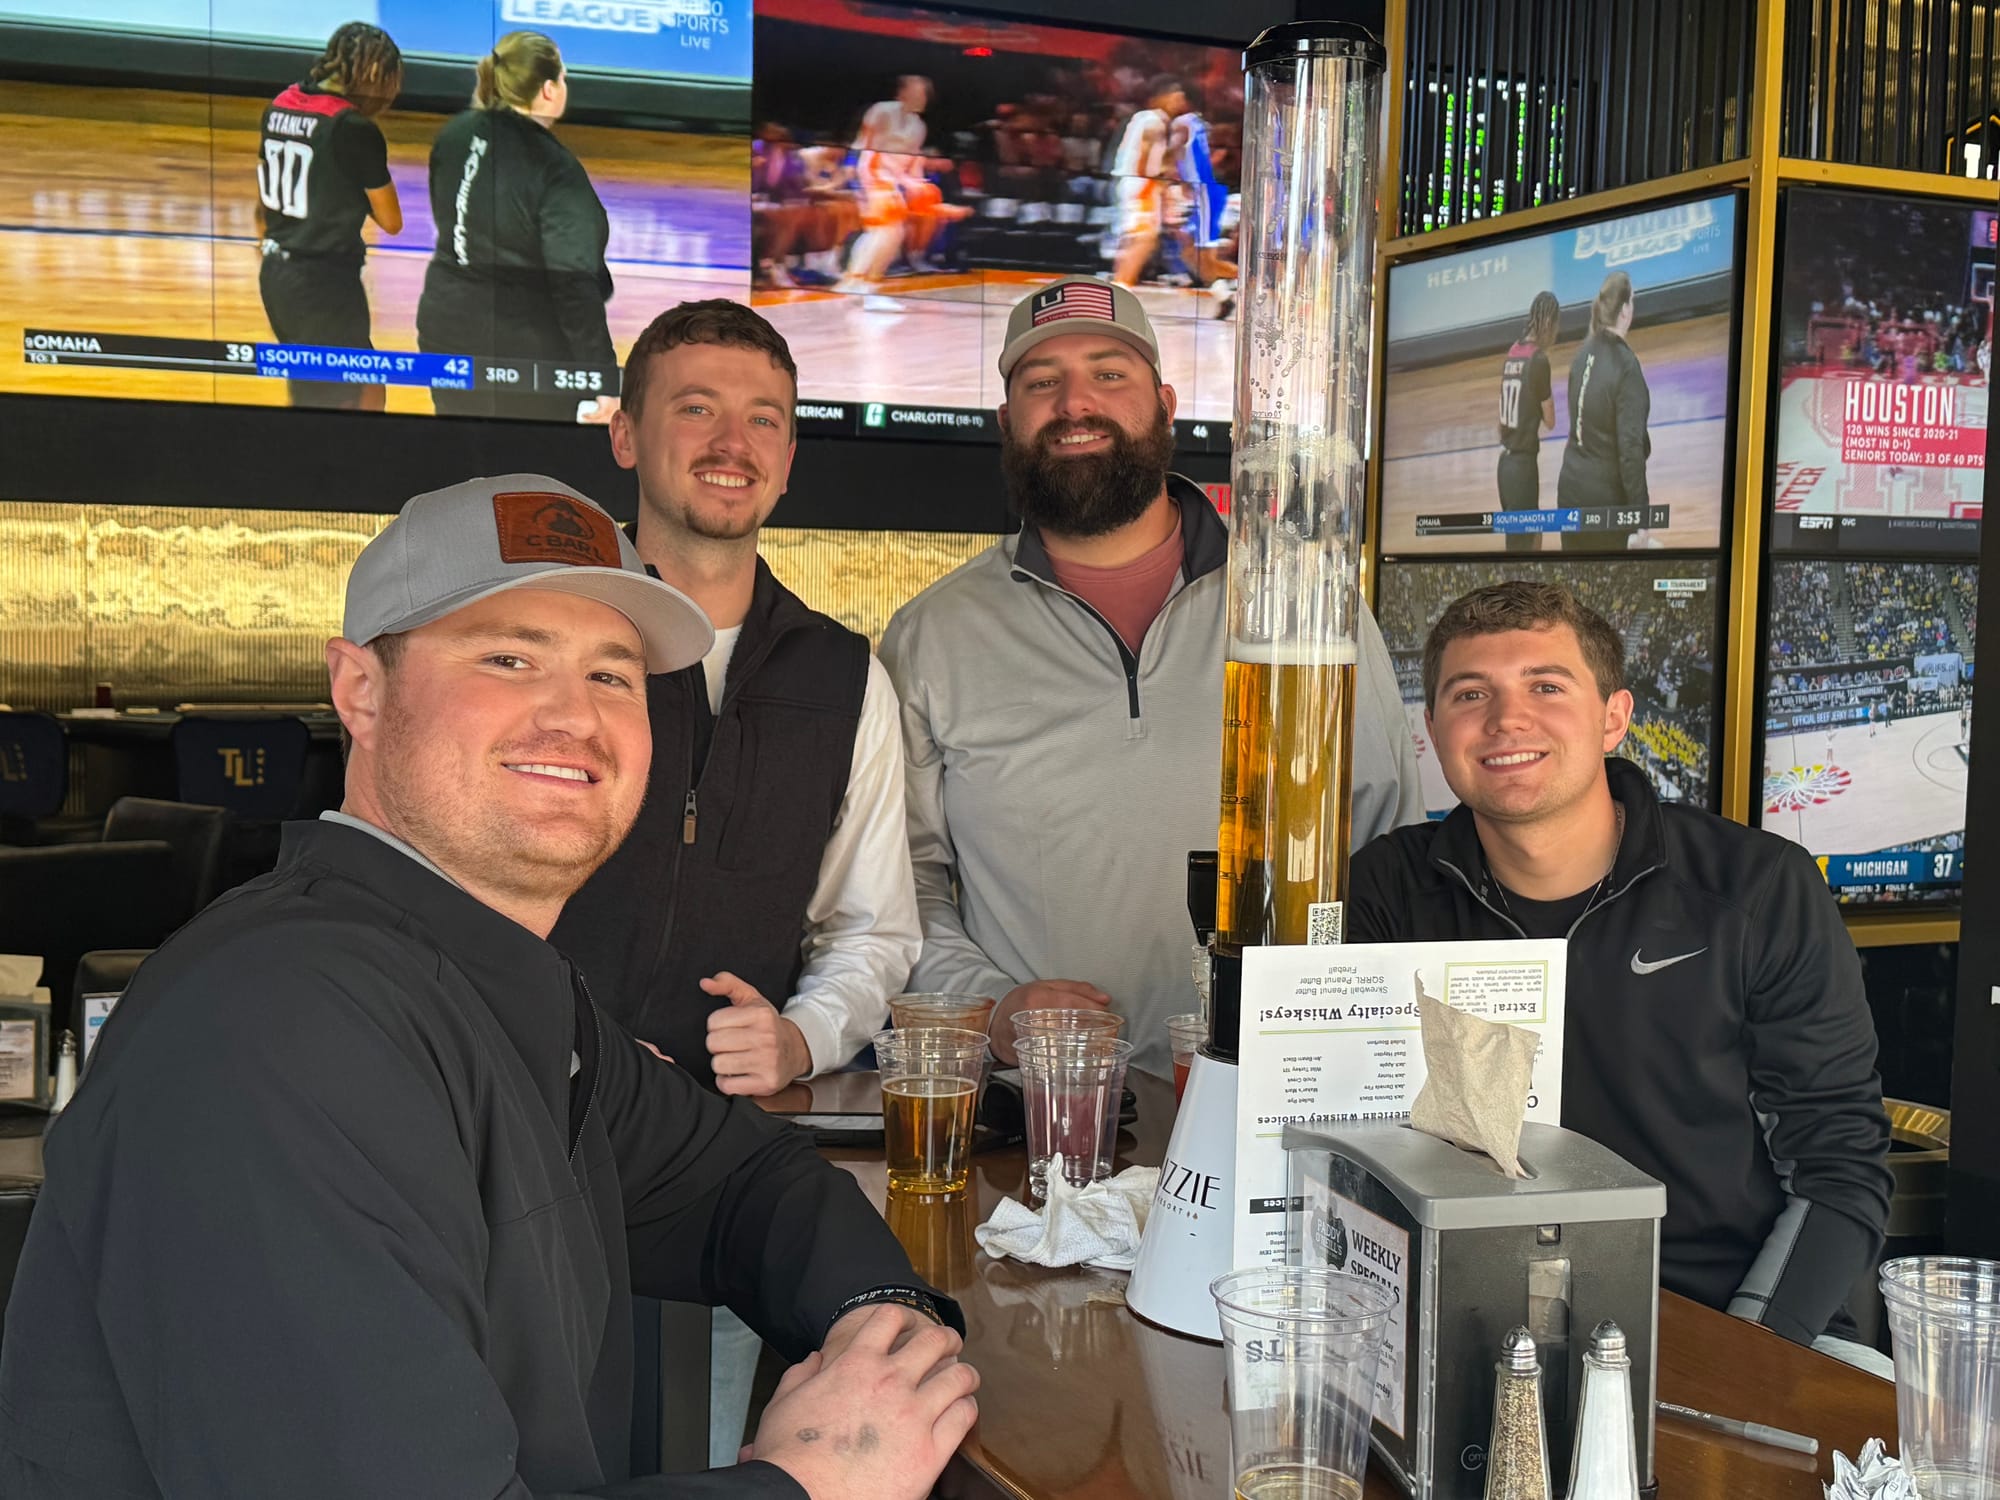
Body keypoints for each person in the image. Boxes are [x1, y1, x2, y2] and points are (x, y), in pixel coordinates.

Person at [0, 474, 978, 1498]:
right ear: (360, 691)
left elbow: (746, 1182)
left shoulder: (502, 991)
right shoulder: (275, 1032)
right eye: (508, 659)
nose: (575, 718)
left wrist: (882, 1324)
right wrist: (812, 1485)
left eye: (613, 676)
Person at [880, 279, 1423, 1078]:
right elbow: (907, 882)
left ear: (1165, 404)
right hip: (1046, 1110)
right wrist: (992, 1008)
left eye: (1109, 374)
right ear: (1006, 423)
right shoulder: (932, 635)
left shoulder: (1301, 610)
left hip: (1276, 1090)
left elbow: (1385, 847)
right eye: (1040, 383)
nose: (1074, 404)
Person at [550, 301, 920, 1466]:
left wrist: (803, 1038)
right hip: (517, 1138)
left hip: (709, 1166)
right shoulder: (553, 637)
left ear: (790, 454)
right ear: (624, 435)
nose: (732, 441)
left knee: (699, 1450)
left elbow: (874, 926)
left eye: (764, 417)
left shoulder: (844, 675)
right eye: (696, 407)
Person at [1346, 581, 1892, 1351]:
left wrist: (1750, 1351)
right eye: (1472, 694)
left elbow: (1839, 1167)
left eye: (1546, 685)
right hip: (1470, 1316)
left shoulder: (1758, 887)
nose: (1507, 719)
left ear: (1614, 718)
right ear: (1431, 730)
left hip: (1727, 1319)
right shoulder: (1384, 888)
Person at [417, 31, 618, 423]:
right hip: (521, 351)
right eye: (562, 78)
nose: (564, 86)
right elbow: (573, 284)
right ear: (547, 90)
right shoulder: (554, 169)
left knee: (461, 454)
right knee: (526, 467)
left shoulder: (455, 133)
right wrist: (603, 380)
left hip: (443, 325)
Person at [255, 22, 404, 411]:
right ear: (374, 75)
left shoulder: (281, 104)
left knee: (363, 382)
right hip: (323, 282)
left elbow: (262, 207)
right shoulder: (354, 128)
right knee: (337, 399)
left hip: (277, 274)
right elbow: (391, 220)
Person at [1555, 270, 1652, 552]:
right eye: (1631, 300)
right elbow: (1630, 451)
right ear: (1625, 310)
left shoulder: (1581, 355)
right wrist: (1641, 517)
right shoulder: (1626, 367)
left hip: (1570, 494)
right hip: (1605, 505)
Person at [836, 76, 937, 310]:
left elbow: (914, 159)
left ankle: (855, 281)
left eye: (925, 94)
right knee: (888, 231)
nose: (923, 98)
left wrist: (919, 182)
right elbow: (870, 149)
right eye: (918, 92)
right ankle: (864, 286)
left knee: (885, 232)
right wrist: (905, 182)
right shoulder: (881, 111)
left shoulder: (919, 126)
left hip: (892, 178)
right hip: (869, 171)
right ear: (901, 93)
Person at [1497, 290, 1559, 553]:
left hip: (1505, 465)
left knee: (1530, 535)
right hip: (1522, 468)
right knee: (1521, 549)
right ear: (1548, 323)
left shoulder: (1514, 351)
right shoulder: (1539, 360)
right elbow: (1551, 420)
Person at [1110, 77, 1187, 289]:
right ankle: (1121, 285)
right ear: (1161, 98)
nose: (1179, 103)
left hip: (1138, 182)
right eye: (1175, 98)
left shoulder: (1146, 119)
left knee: (1138, 237)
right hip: (1142, 183)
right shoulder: (1154, 121)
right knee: (1144, 237)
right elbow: (1145, 156)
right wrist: (1158, 181)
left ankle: (1121, 282)